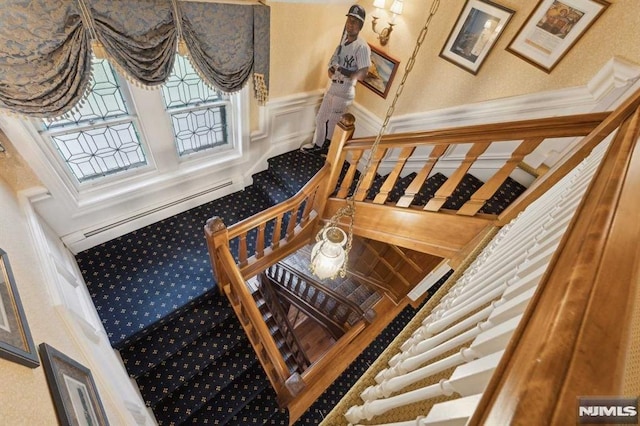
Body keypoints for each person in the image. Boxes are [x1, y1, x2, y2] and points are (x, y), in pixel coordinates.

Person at [302, 4, 371, 156]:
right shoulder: (342, 43)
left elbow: (363, 73)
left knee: (332, 122)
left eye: (354, 22)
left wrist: (346, 71)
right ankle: (319, 146)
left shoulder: (362, 47)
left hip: (345, 89)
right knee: (321, 118)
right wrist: (332, 70)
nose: (350, 24)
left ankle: (327, 150)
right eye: (349, 20)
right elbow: (330, 67)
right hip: (333, 86)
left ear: (360, 26)